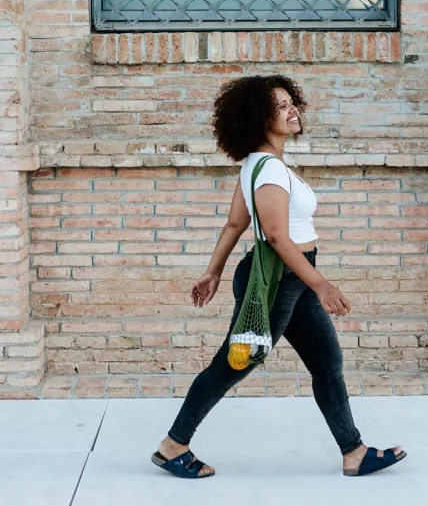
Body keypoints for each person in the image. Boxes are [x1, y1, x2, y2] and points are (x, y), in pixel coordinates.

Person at [151, 74, 406, 478]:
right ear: (258, 117)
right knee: (234, 364)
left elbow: (235, 223)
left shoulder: (259, 164)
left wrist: (212, 271)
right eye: (281, 106)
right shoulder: (268, 169)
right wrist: (320, 283)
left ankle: (353, 452)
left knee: (326, 362)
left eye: (292, 103)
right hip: (279, 279)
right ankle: (173, 446)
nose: (293, 111)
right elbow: (275, 236)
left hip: (293, 279)